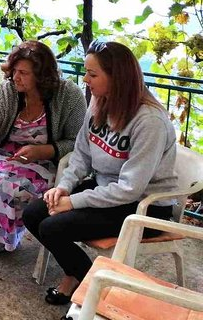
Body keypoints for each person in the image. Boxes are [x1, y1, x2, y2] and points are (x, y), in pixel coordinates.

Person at [22, 41, 178, 305]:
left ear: (118, 78)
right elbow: (81, 154)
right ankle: (85, 279)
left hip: (144, 206)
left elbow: (130, 189)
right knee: (34, 213)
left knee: (52, 228)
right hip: (106, 190)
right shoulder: (98, 103)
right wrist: (65, 187)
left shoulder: (149, 121)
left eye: (93, 74)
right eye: (87, 72)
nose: (86, 79)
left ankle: (97, 296)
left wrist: (73, 202)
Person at [0, 41, 87, 251]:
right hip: (4, 154)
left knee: (11, 188)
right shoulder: (9, 92)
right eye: (14, 70)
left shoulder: (69, 96)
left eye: (23, 72)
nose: (15, 77)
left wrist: (45, 150)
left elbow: (77, 142)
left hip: (46, 161)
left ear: (41, 76)